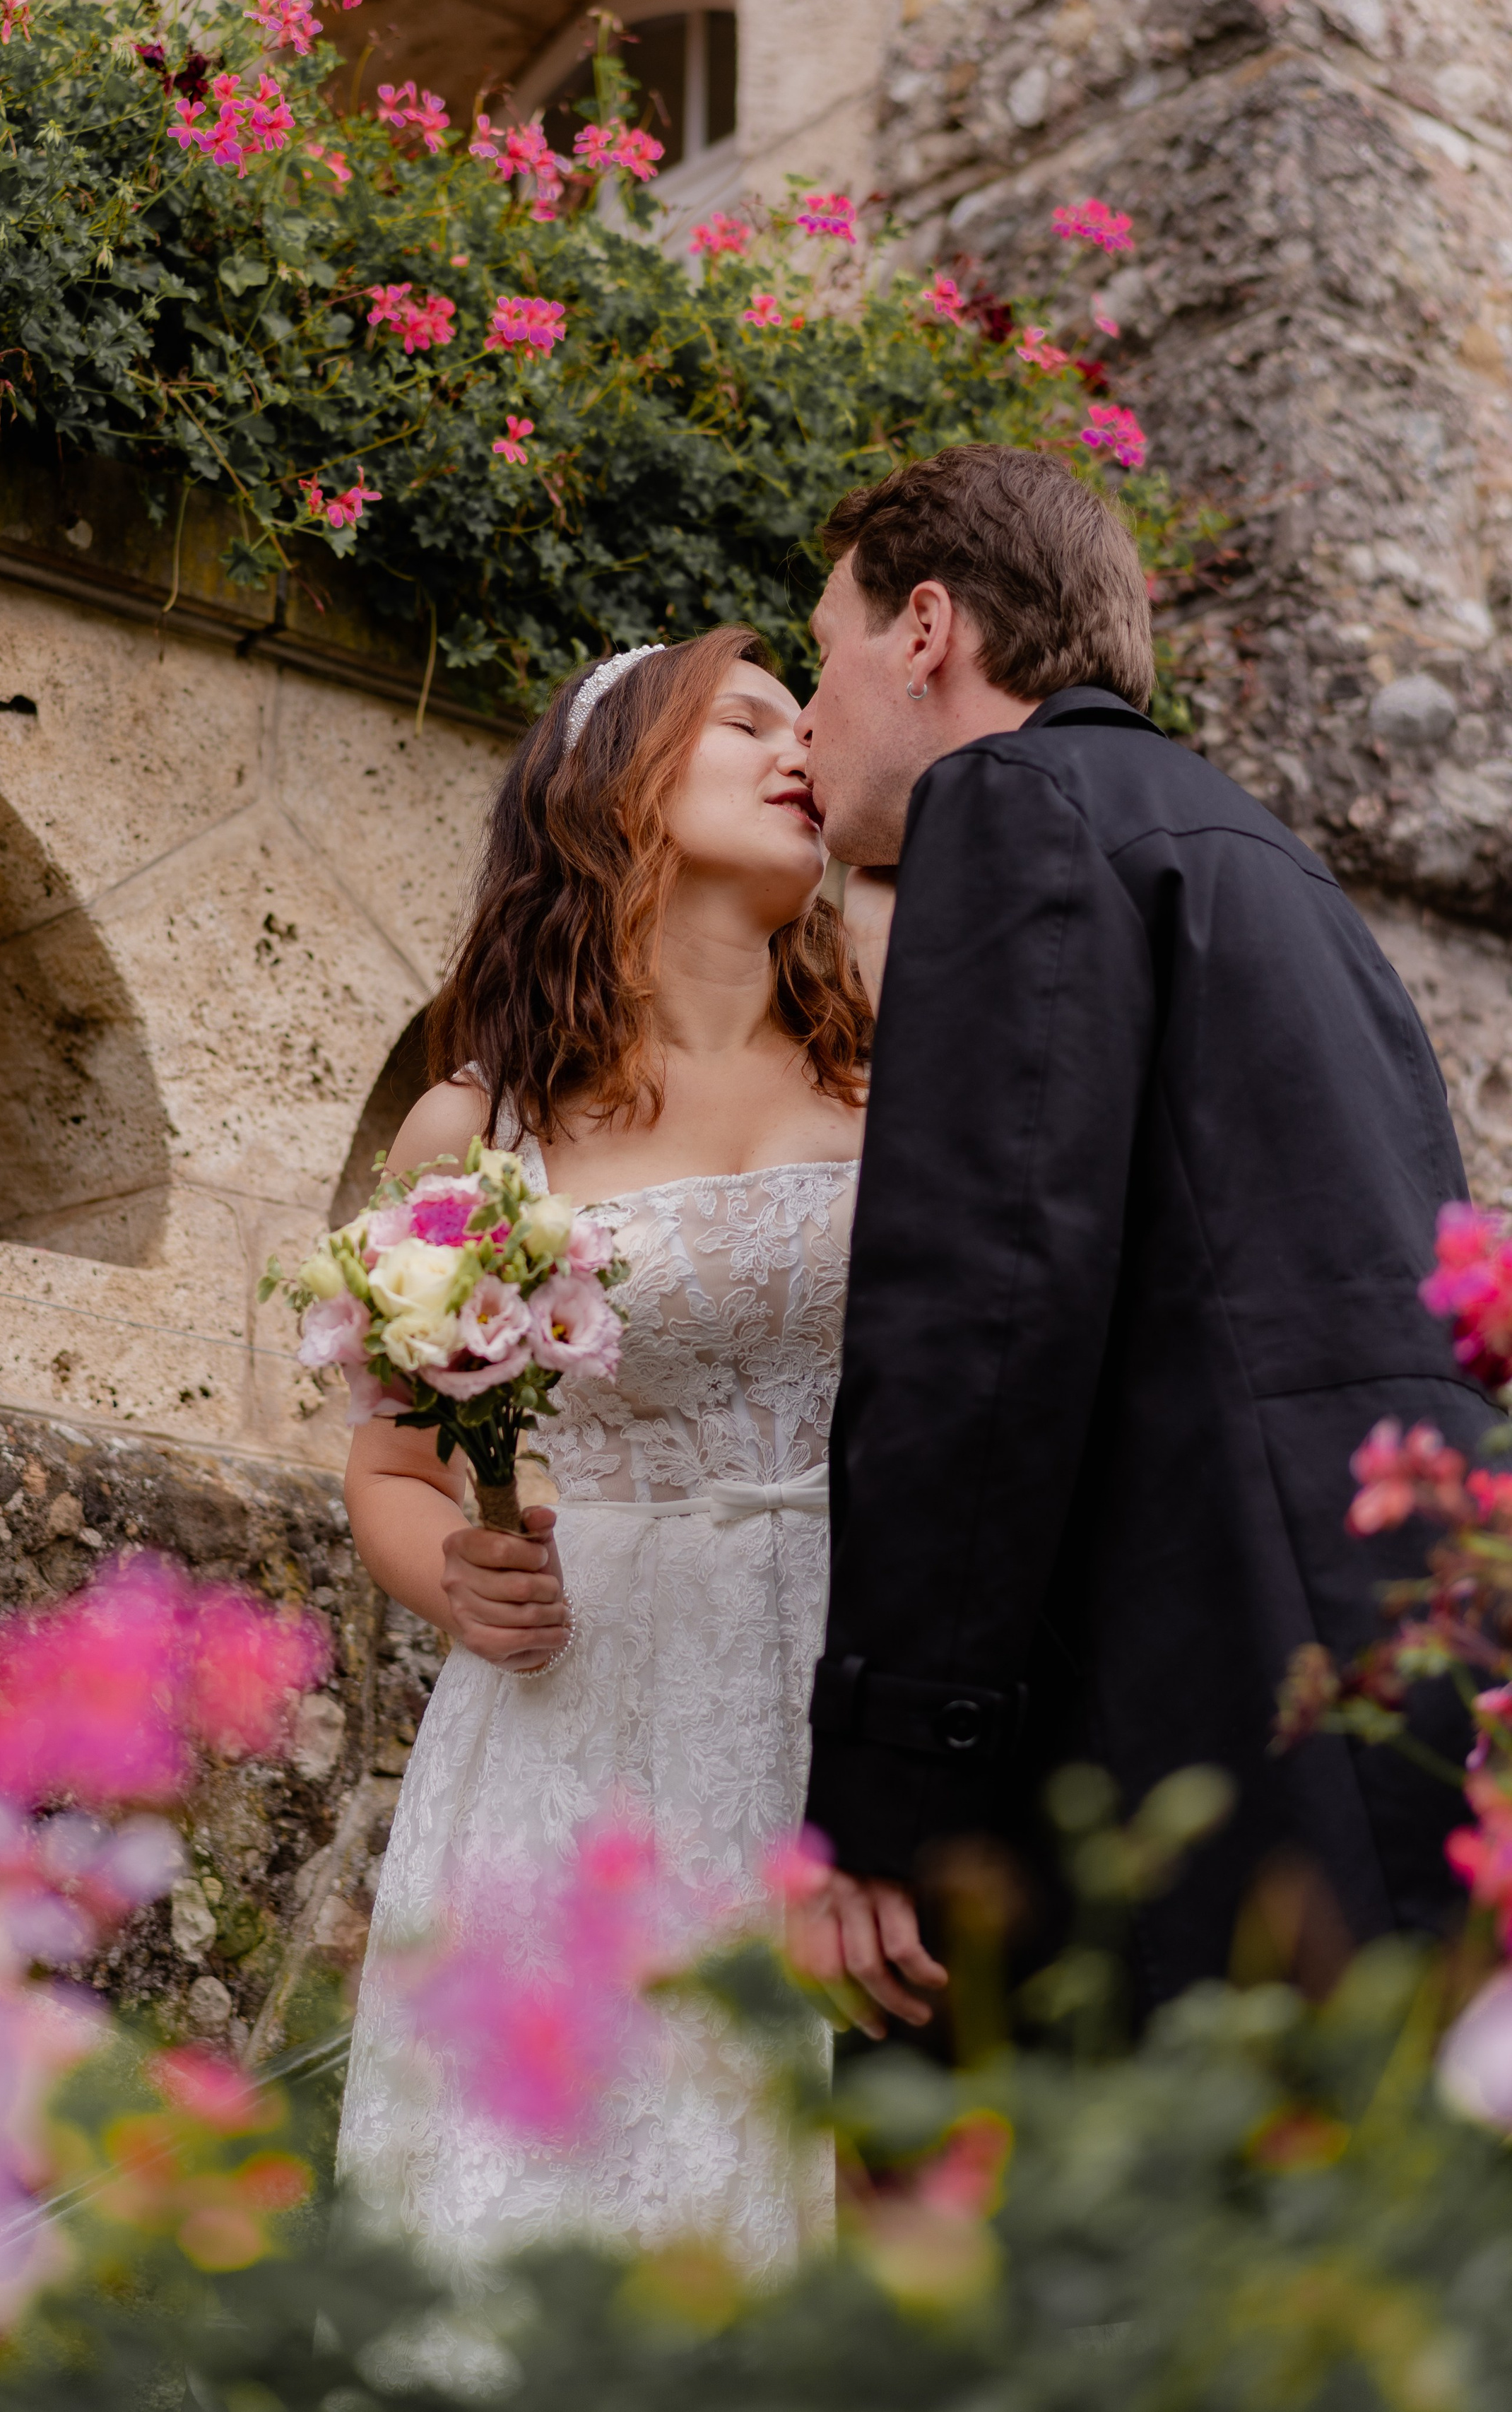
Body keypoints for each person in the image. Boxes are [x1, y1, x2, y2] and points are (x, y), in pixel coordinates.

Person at [785, 443, 1496, 2037]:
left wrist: (888, 1794)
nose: (808, 719)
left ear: (924, 629)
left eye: (820, 656)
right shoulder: (1276, 868)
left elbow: (975, 1315)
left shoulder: (1008, 804)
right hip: (1383, 1699)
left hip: (1171, 1741)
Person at [335, 625, 870, 2275]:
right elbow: (392, 1469)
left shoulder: (899, 1071)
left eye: (806, 721)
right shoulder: (479, 1130)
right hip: (582, 1720)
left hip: (854, 1684)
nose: (799, 747)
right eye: (747, 721)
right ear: (612, 785)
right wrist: (458, 1582)